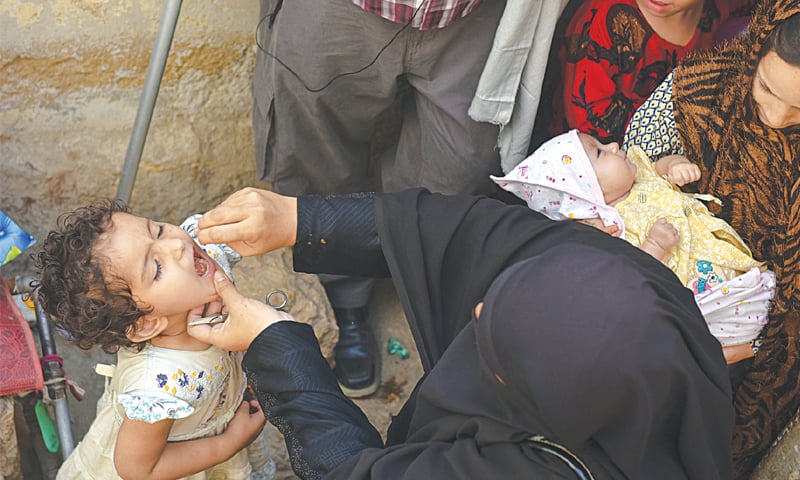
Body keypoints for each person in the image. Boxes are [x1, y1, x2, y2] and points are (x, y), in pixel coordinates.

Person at [188, 186, 734, 479]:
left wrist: (278, 342)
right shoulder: (642, 297)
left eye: (496, 346)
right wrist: (300, 219)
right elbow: (482, 234)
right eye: (496, 297)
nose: (474, 310)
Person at [251, 0, 566, 397]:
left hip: (474, 12)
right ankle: (344, 296)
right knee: (318, 153)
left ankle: (415, 281)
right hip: (340, 8)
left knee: (463, 167)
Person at [623, 0, 800, 476]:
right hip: (658, 273)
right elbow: (633, 161)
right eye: (766, 88)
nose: (776, 116)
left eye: (799, 108)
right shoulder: (701, 88)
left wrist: (751, 345)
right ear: (757, 47)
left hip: (756, 338)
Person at [34, 200, 274, 480]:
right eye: (157, 268)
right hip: (186, 462)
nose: (176, 245)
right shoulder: (157, 389)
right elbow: (138, 469)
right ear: (147, 323)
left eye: (157, 230)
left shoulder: (200, 265)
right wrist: (230, 443)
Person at [493, 128, 776, 364]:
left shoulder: (639, 168)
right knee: (688, 341)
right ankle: (748, 349)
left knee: (766, 290)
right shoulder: (613, 234)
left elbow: (661, 166)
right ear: (586, 194)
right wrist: (654, 244)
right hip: (695, 295)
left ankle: (761, 334)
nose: (615, 145)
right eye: (601, 152)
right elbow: (631, 280)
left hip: (721, 256)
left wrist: (676, 166)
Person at [530, 0, 755, 151]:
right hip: (603, 168)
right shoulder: (604, 18)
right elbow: (591, 126)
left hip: (684, 161)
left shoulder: (722, 7)